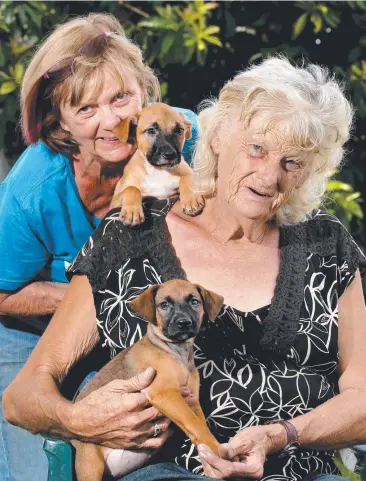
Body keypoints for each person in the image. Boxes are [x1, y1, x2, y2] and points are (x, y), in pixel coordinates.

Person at [3, 57, 366, 481]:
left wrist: (282, 435)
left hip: (300, 470)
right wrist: (78, 421)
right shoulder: (128, 235)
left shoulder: (326, 245)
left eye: (293, 162)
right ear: (216, 138)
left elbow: (362, 396)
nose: (269, 177)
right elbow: (21, 397)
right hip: (168, 470)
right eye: (256, 148)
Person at [0, 12, 198, 481]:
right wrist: (97, 303)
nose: (110, 122)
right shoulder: (34, 189)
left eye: (121, 99)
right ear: (59, 120)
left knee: (130, 446)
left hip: (137, 332)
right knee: (38, 468)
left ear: (145, 94)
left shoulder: (182, 138)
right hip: (28, 332)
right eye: (85, 109)